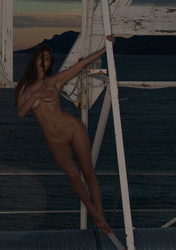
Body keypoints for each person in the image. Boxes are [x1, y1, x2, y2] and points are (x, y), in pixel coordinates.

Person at [16, 35, 115, 235]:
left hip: (72, 128)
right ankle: (93, 212)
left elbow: (81, 65)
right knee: (73, 176)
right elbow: (21, 112)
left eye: (47, 59)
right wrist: (36, 95)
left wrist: (106, 48)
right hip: (55, 140)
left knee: (88, 173)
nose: (44, 62)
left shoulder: (55, 80)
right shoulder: (25, 87)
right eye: (41, 57)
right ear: (34, 59)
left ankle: (101, 217)